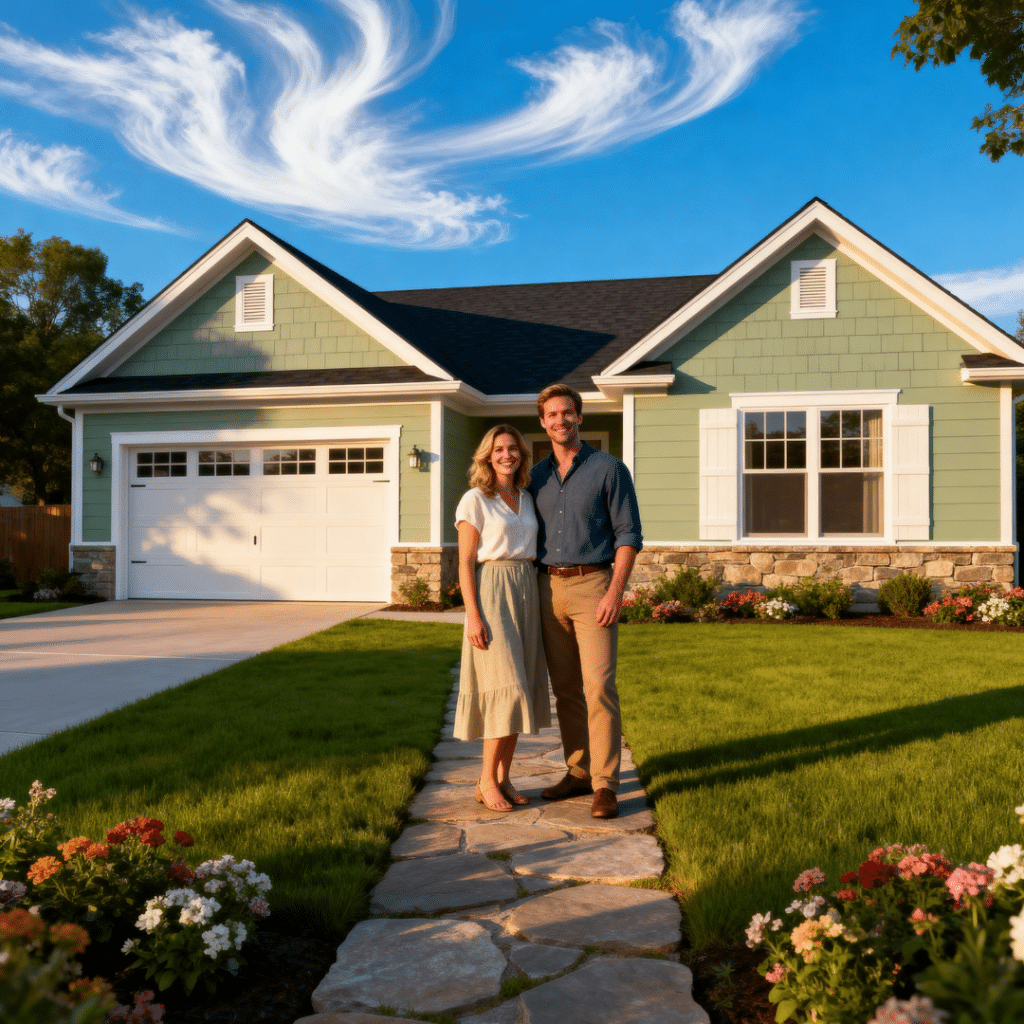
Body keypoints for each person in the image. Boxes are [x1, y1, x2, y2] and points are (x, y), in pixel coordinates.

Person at [529, 384, 642, 820]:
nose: (560, 420)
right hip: (547, 588)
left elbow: (628, 534)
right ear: (543, 422)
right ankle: (578, 771)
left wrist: (615, 591)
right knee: (565, 689)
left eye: (567, 412)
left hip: (594, 585)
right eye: (552, 415)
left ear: (579, 417)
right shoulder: (534, 476)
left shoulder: (609, 469)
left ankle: (605, 784)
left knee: (598, 686)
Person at [454, 424, 551, 812]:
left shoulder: (526, 497)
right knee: (505, 689)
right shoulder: (475, 499)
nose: (506, 454)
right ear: (487, 456)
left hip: (527, 588)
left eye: (513, 448)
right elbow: (465, 562)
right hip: (493, 589)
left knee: (520, 688)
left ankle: (503, 777)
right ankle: (485, 780)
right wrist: (473, 616)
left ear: (522, 455)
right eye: (498, 449)